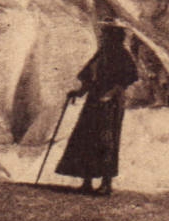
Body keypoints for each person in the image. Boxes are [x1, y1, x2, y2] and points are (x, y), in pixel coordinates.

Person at [55, 19, 140, 197]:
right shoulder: (102, 53)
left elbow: (126, 79)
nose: (103, 36)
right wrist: (78, 93)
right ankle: (87, 181)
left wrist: (109, 94)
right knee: (86, 138)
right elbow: (89, 77)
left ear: (115, 35)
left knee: (106, 141)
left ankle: (106, 183)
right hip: (94, 100)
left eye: (106, 33)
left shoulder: (122, 55)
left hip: (111, 103)